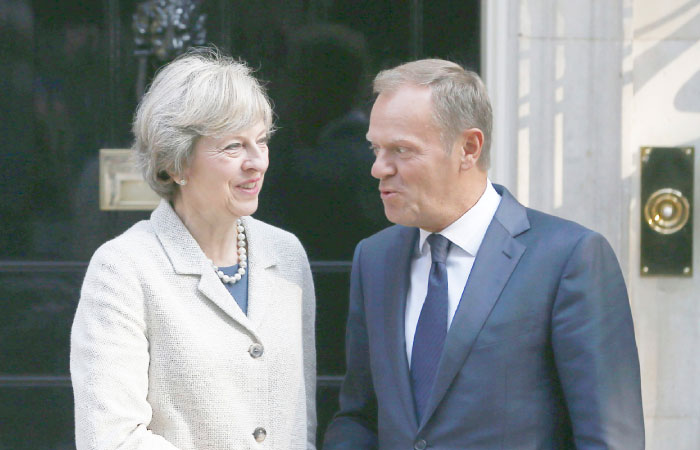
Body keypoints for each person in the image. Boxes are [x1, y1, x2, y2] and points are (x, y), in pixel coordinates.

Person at [323, 59, 644, 449]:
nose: (378, 168)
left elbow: (607, 438)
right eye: (376, 148)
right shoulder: (374, 259)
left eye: (401, 150)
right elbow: (360, 416)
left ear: (469, 148)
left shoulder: (568, 258)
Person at [70, 49, 316, 449]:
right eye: (234, 147)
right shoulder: (121, 269)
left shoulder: (286, 254)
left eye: (262, 141)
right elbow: (111, 439)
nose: (257, 162)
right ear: (176, 163)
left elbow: (297, 422)